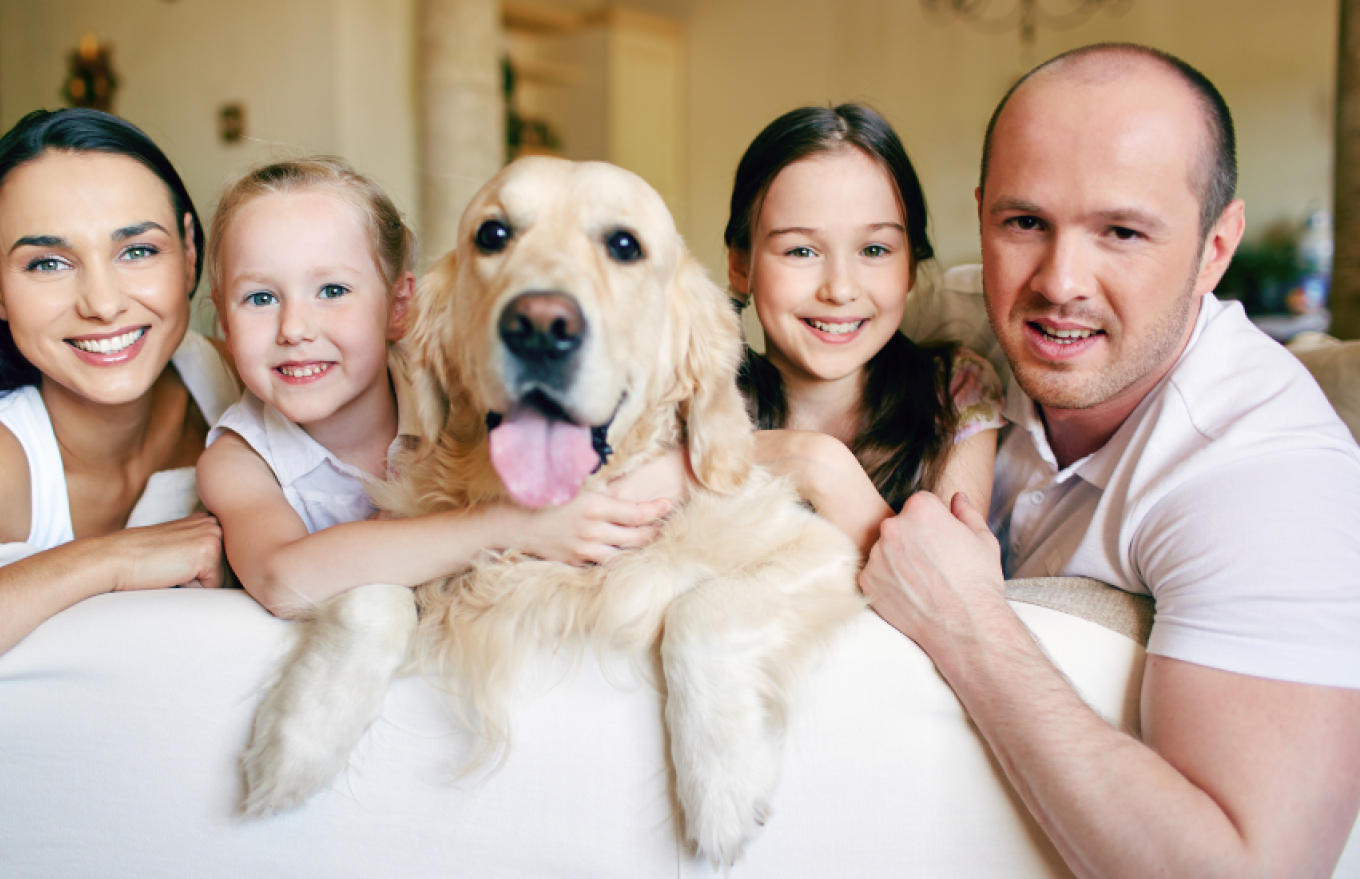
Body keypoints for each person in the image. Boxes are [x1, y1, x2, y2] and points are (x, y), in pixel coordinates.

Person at [860, 43, 1360, 876]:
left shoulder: (1269, 471)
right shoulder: (937, 318)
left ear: (1216, 247)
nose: (1060, 282)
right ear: (982, 212)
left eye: (1121, 231)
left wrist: (969, 625)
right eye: (1025, 223)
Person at [0, 109, 238, 747]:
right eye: (48, 264)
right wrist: (101, 563)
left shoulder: (240, 387)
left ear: (190, 254)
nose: (104, 303)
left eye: (137, 250)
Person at [195, 158, 680, 621]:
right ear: (223, 317)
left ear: (400, 306)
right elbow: (283, 579)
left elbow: (629, 480)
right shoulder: (239, 457)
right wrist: (515, 526)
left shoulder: (452, 395)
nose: (294, 328)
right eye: (260, 298)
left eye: (332, 291)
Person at [724, 104, 1004, 554]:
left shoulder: (955, 392)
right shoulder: (696, 400)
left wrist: (821, 468)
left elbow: (947, 582)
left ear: (910, 264)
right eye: (800, 251)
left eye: (874, 249)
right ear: (742, 265)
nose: (840, 289)